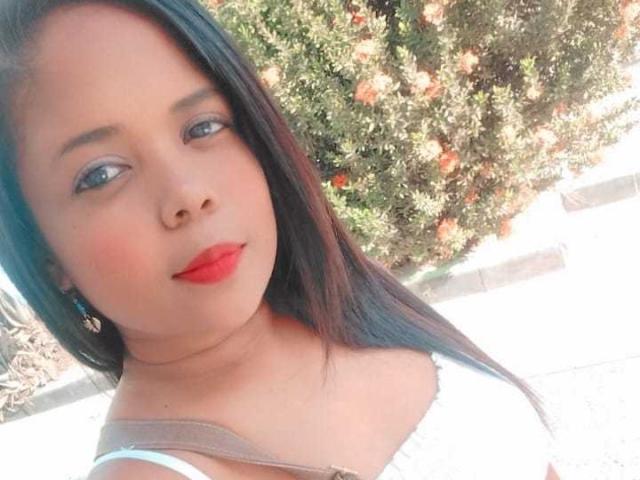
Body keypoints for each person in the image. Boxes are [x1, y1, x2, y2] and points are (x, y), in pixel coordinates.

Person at [0, 1, 560, 478]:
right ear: (45, 256)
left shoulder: (343, 297)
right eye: (101, 174)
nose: (188, 195)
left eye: (203, 127)